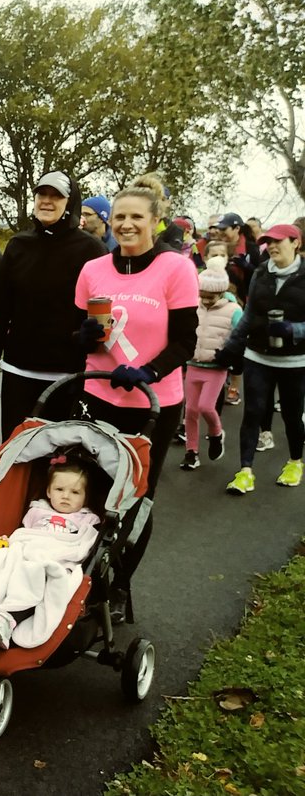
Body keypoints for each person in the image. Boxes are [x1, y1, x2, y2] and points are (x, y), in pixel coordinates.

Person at [73, 177, 198, 613]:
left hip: (152, 402)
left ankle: (119, 586)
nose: (126, 225)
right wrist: (83, 337)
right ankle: (79, 577)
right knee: (90, 488)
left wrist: (148, 371)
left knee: (135, 497)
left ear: (156, 220)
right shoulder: (93, 270)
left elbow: (186, 342)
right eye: (120, 217)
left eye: (136, 217)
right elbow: (84, 335)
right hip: (97, 394)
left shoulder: (175, 268)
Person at [0, 172, 108, 440]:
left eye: (56, 196)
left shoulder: (92, 250)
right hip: (18, 371)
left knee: (58, 458)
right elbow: (1, 309)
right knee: (16, 453)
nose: (47, 201)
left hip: (67, 375)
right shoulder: (18, 245)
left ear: (70, 203)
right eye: (42, 194)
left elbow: (101, 312)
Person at [0, 457, 101, 649]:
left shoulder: (86, 519)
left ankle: (5, 620)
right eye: (59, 489)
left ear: (85, 498)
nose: (66, 496)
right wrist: (8, 544)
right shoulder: (37, 510)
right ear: (49, 491)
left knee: (34, 579)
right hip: (27, 551)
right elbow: (23, 534)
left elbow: (85, 543)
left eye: (75, 492)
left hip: (56, 558)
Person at [215, 224, 305, 494]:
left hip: (294, 361)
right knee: (252, 413)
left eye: (279, 241)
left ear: (296, 243)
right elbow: (250, 314)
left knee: (291, 415)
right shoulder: (261, 272)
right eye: (269, 242)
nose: (272, 246)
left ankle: (295, 462)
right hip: (258, 355)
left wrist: (293, 330)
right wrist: (231, 348)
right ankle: (245, 471)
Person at [180, 257, 242, 470]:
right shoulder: (194, 306)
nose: (205, 300)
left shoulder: (233, 310)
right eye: (202, 295)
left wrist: (229, 356)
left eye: (211, 297)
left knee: (206, 406)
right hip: (193, 363)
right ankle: (191, 451)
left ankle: (216, 433)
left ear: (222, 292)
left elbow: (240, 337)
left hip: (217, 366)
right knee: (190, 410)